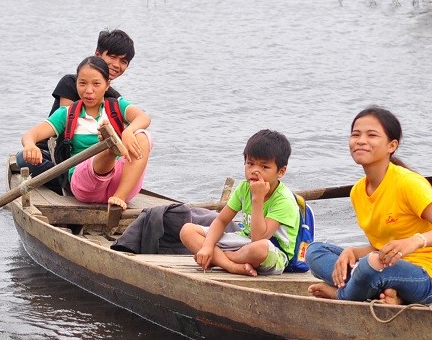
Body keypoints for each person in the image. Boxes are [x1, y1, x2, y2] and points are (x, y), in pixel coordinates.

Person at [306, 107, 432, 306]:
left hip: (427, 279)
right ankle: (386, 294)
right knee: (314, 251)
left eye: (371, 135)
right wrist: (353, 252)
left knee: (370, 266)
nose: (361, 140)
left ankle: (342, 295)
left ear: (392, 145)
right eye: (356, 134)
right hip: (383, 264)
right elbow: (381, 245)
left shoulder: (408, 183)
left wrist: (415, 241)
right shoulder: (358, 191)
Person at [19, 56, 152, 210]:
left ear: (107, 85)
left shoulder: (117, 107)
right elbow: (30, 135)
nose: (89, 91)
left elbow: (144, 117)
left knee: (143, 136)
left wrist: (129, 130)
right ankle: (109, 146)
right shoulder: (67, 113)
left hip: (119, 188)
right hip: (86, 186)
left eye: (96, 84)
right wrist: (30, 145)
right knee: (109, 148)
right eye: (82, 83)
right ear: (76, 84)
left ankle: (119, 197)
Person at [16, 29, 136, 185]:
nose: (116, 65)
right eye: (112, 57)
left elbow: (139, 120)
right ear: (97, 55)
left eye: (123, 61)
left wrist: (128, 132)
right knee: (23, 159)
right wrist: (31, 146)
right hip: (57, 154)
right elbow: (69, 133)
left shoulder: (115, 100)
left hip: (96, 159)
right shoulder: (69, 84)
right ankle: (68, 179)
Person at [179, 130, 301, 277]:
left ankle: (220, 258)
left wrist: (257, 199)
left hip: (272, 253)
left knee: (259, 249)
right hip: (243, 243)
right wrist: (207, 246)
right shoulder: (243, 188)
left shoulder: (284, 200)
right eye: (250, 164)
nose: (255, 171)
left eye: (264, 167)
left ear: (281, 171)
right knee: (188, 231)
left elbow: (258, 239)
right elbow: (221, 220)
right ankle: (231, 266)